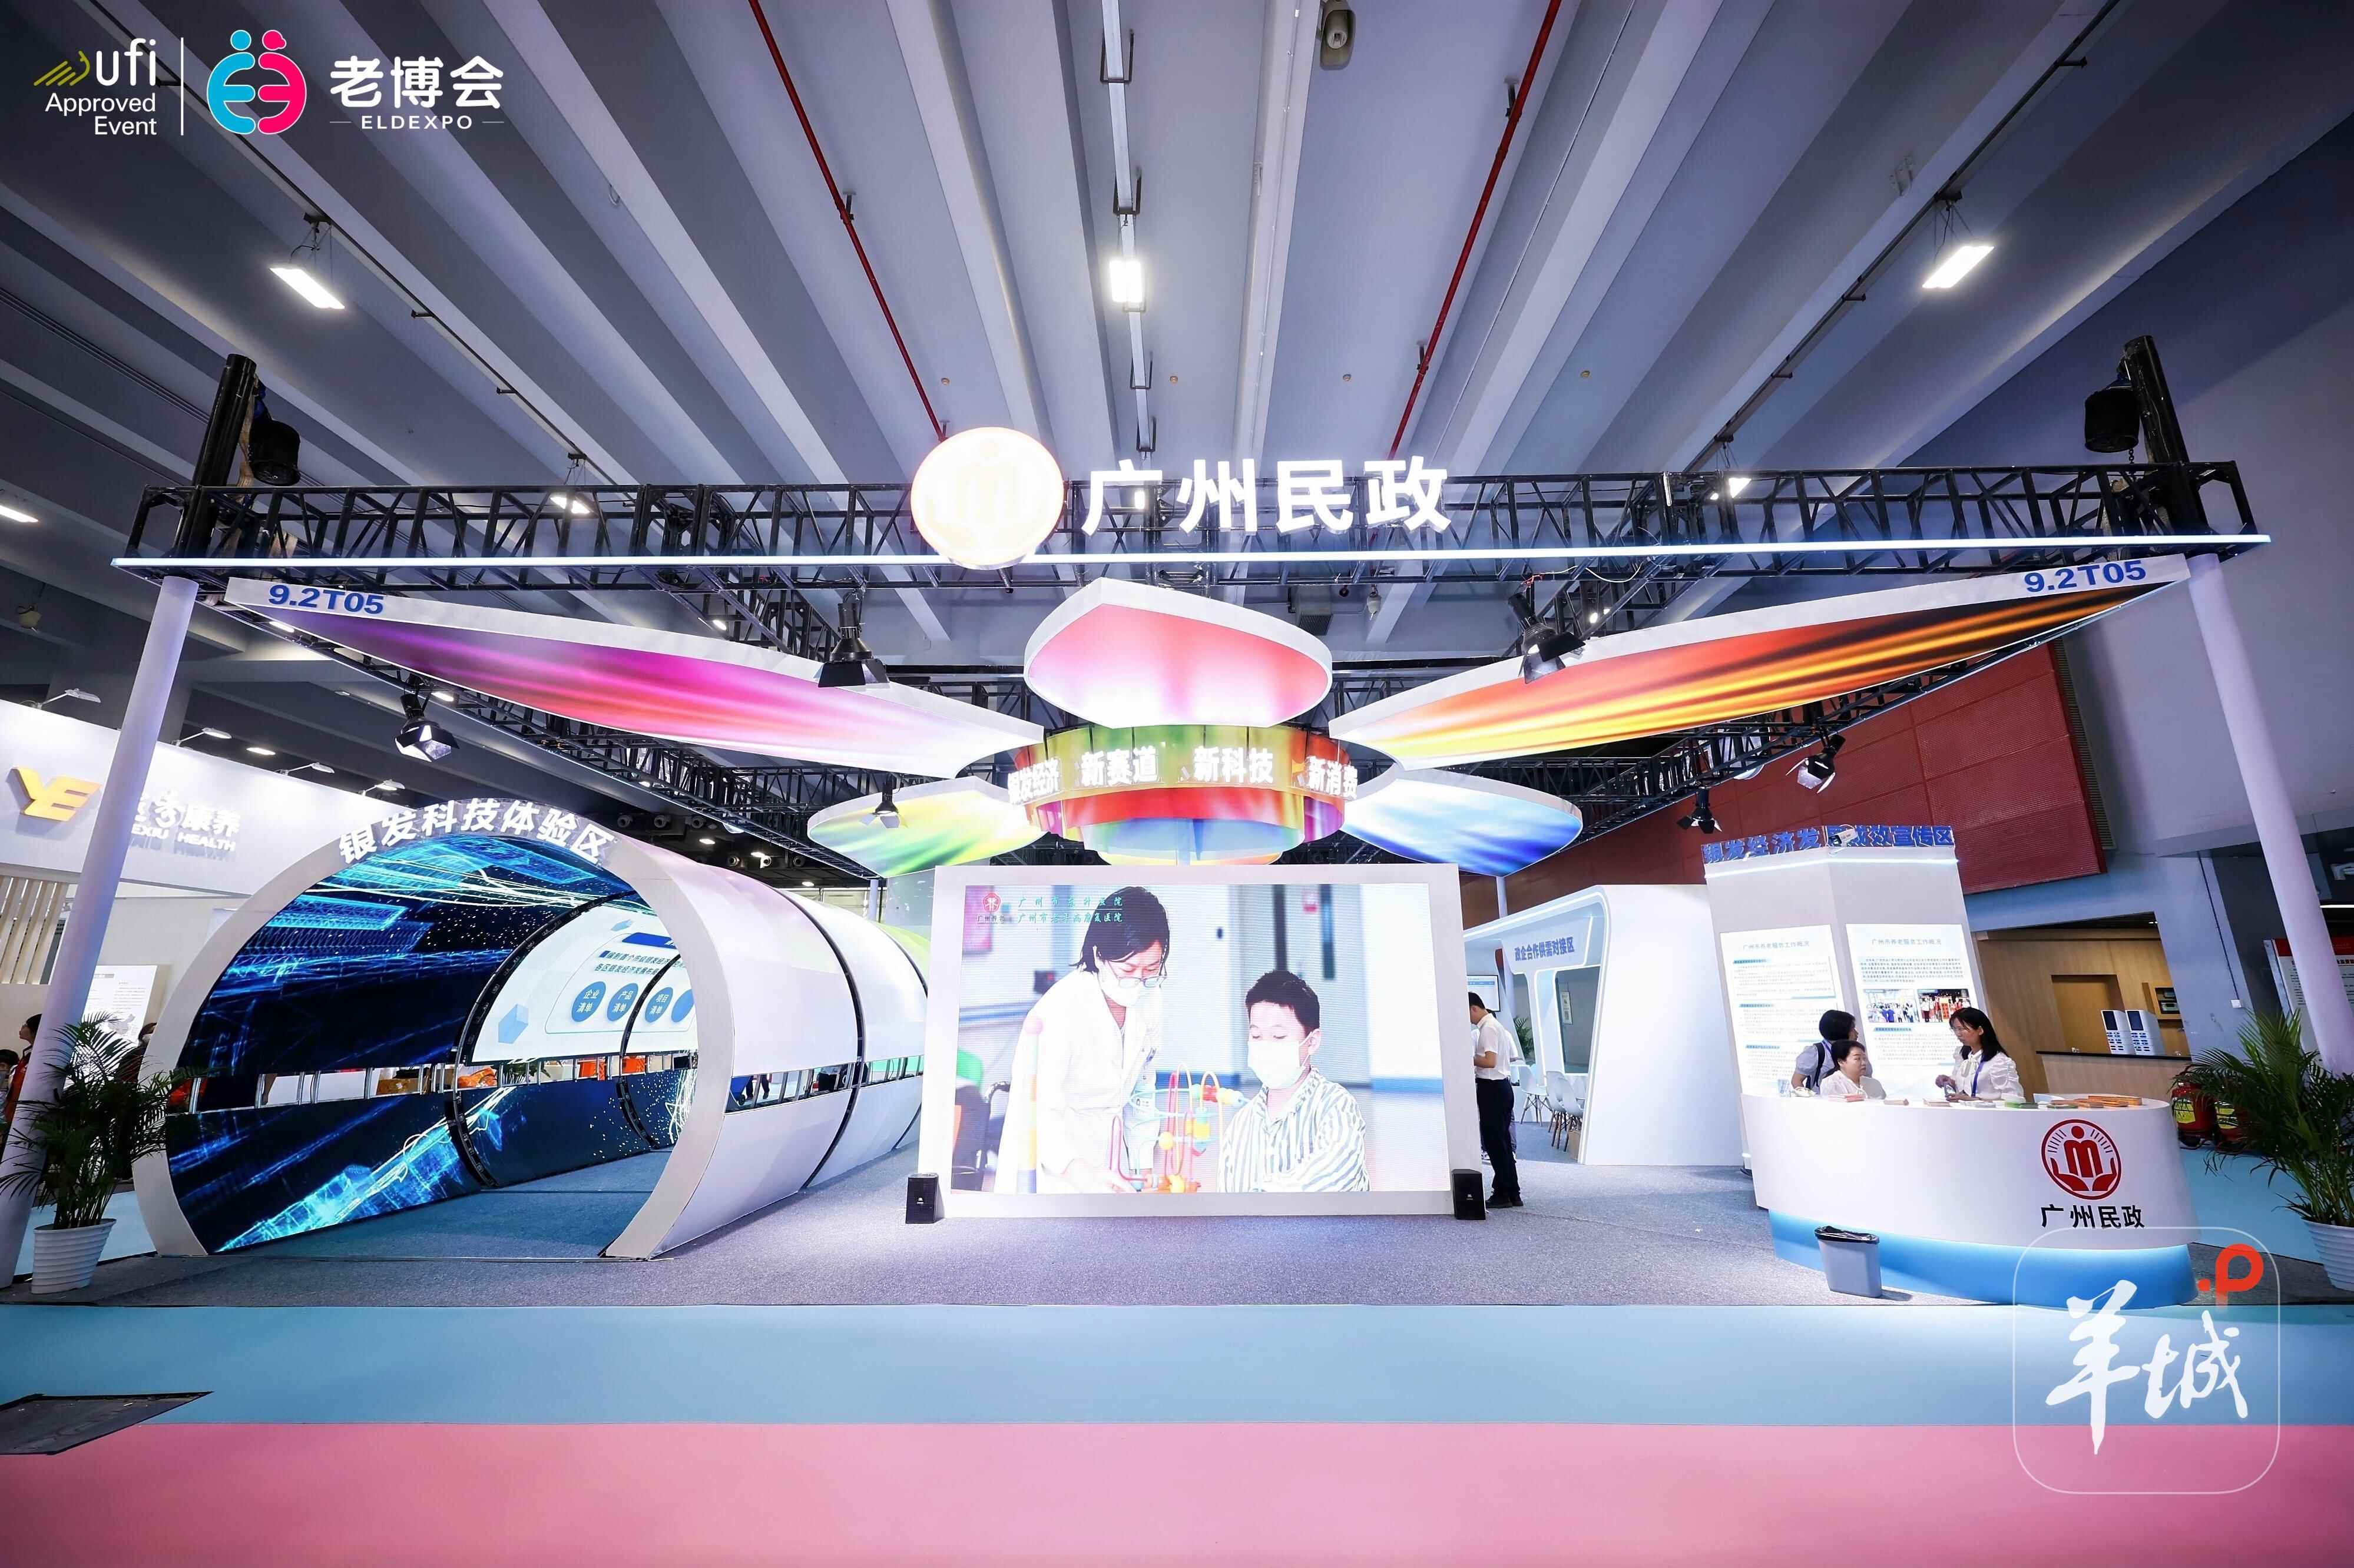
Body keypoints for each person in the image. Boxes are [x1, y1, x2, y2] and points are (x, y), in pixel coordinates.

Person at [1000, 886, 1170, 1193]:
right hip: (1052, 1161)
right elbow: (1037, 1110)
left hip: (1109, 1154)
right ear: (1099, 956)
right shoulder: (1060, 1010)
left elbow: (1142, 1087)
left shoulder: (1151, 999)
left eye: (1152, 969)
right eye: (1128, 969)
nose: (1140, 981)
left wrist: (1143, 1166)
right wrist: (1077, 1171)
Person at [1218, 970, 1368, 1193]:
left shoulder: (1336, 1106)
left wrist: (1262, 1198)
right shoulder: (1241, 1124)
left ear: (1312, 1042)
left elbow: (1336, 1173)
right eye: (1256, 1036)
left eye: (1279, 1037)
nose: (1265, 1046)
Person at [1469, 992, 1521, 1208]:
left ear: (1474, 1008)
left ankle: (1503, 1194)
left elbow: (1490, 1061)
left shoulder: (1488, 1028)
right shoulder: (1497, 1026)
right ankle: (1512, 1191)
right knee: (1503, 1143)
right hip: (1501, 1088)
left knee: (1495, 1143)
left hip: (1492, 1088)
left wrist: (1467, 1057)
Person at [1936, 1006, 2021, 1102]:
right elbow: (1966, 1089)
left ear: (1980, 1030)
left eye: (1962, 1029)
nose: (1958, 1034)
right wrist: (1950, 1082)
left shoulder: (1999, 1061)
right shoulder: (1963, 1056)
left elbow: (2014, 1101)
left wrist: (1974, 1100)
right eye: (1955, 1029)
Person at [1790, 1010, 1856, 1093]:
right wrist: (1810, 1099)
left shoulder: (1856, 1051)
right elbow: (1796, 1081)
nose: (1856, 1033)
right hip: (1823, 1099)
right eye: (1852, 1029)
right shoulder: (1816, 1052)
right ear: (1841, 1031)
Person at [1816, 1040, 1886, 1101]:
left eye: (1864, 1058)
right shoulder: (1831, 1083)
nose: (1864, 1063)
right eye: (1857, 1059)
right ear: (1841, 1062)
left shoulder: (1874, 1083)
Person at [3, 1013, 36, 1127]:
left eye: (26, 1025)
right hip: (13, 1113)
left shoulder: (40, 1056)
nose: (22, 1028)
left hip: (25, 1116)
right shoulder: (27, 1055)